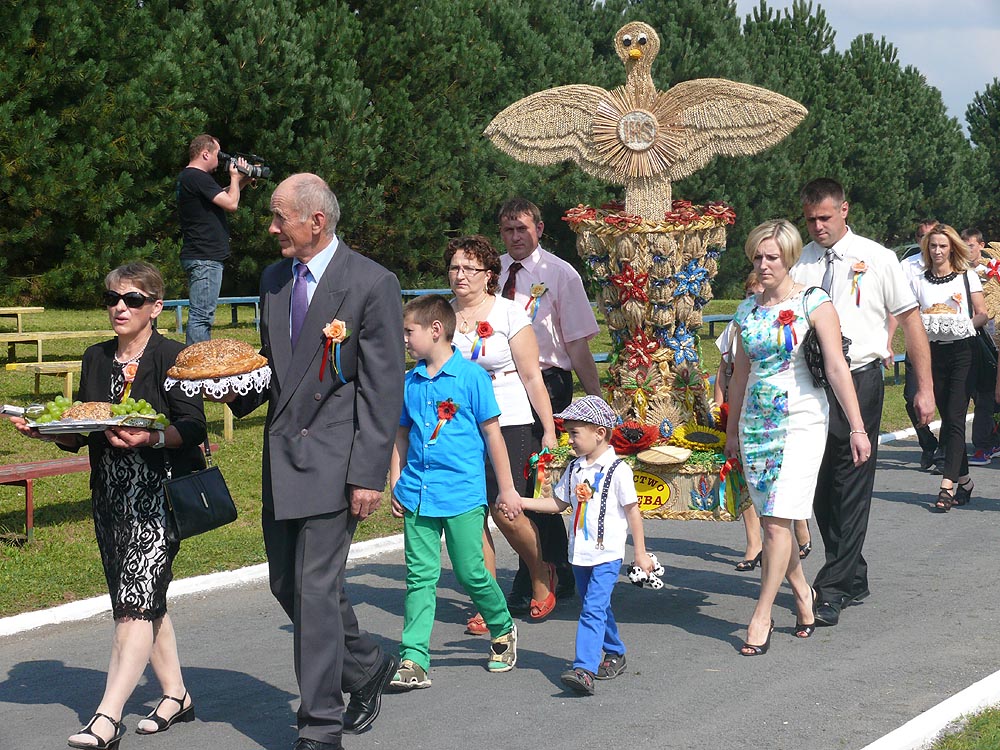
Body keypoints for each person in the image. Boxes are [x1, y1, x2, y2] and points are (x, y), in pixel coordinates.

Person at [223, 174, 404, 750]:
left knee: (315, 589)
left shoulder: (372, 283)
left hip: (335, 457)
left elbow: (382, 389)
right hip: (281, 456)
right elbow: (275, 368)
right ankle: (366, 664)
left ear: (316, 221)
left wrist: (367, 475)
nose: (271, 227)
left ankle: (320, 726)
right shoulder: (274, 280)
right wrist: (227, 386)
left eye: (280, 217)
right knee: (287, 584)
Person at [11, 262, 206, 749]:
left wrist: (152, 436)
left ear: (155, 308)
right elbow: (83, 427)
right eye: (113, 298)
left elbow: (193, 427)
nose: (120, 307)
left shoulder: (173, 356)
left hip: (159, 495)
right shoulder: (95, 357)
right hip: (109, 495)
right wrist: (45, 431)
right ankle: (176, 694)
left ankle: (107, 717)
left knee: (133, 606)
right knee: (140, 598)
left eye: (132, 299)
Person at [790, 178, 934, 628]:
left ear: (844, 210)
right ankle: (852, 573)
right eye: (810, 219)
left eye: (825, 217)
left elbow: (911, 321)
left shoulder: (878, 258)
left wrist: (924, 386)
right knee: (819, 487)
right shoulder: (800, 261)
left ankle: (832, 588)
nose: (818, 226)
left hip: (860, 377)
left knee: (851, 480)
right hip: (812, 383)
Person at [724, 221, 870, 655]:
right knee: (776, 518)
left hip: (801, 420)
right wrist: (730, 431)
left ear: (788, 258)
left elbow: (837, 368)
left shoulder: (813, 302)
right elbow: (739, 375)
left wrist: (857, 427)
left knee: (775, 521)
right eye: (757, 257)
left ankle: (762, 614)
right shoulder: (745, 311)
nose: (763, 264)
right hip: (756, 424)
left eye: (772, 257)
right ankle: (803, 593)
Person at [388, 295, 520, 690]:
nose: (404, 339)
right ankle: (414, 658)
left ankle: (502, 627)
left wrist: (507, 488)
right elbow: (401, 435)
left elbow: (493, 436)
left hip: (462, 493)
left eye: (409, 331)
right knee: (420, 578)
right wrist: (396, 482)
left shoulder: (472, 377)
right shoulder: (409, 383)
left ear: (435, 330)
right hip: (418, 493)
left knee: (470, 571)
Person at [445, 234, 558, 635]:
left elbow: (532, 376)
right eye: (454, 267)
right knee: (470, 513)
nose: (460, 275)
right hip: (457, 423)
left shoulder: (510, 314)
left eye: (469, 268)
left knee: (505, 510)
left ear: (489, 274)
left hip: (508, 417)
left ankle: (541, 572)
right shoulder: (441, 316)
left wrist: (548, 429)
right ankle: (487, 598)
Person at [496, 197, 602, 610]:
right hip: (499, 384)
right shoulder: (492, 272)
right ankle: (559, 566)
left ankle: (533, 578)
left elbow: (576, 343)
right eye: (508, 230)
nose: (515, 237)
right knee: (522, 482)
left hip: (546, 383)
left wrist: (596, 399)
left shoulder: (560, 274)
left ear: (539, 229)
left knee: (530, 478)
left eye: (523, 228)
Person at [516, 395, 654, 694]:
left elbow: (633, 512)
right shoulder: (575, 468)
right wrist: (521, 502)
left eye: (574, 433)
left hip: (607, 555)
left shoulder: (618, 470)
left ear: (599, 433)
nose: (569, 440)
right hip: (579, 554)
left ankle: (584, 669)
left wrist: (640, 553)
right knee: (597, 605)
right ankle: (615, 651)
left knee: (592, 608)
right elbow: (558, 503)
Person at [715, 270, 812, 572]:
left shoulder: (793, 315)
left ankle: (799, 525)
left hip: (787, 411)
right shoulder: (740, 322)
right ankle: (753, 542)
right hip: (747, 410)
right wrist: (723, 409)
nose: (756, 297)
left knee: (781, 496)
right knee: (754, 487)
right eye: (750, 293)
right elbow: (726, 370)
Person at [906, 224, 987, 509]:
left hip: (964, 351)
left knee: (955, 416)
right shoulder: (919, 280)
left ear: (952, 247)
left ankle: (946, 486)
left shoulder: (966, 276)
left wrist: (964, 324)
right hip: (932, 353)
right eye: (933, 246)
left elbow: (982, 313)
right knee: (948, 417)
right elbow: (910, 316)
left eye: (942, 246)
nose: (937, 251)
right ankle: (965, 481)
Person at [176, 134, 249, 345]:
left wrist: (242, 181)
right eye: (218, 154)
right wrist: (234, 177)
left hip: (200, 255)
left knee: (201, 315)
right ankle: (198, 362)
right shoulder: (197, 176)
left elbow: (223, 197)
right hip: (205, 257)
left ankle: (197, 358)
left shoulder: (190, 177)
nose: (220, 160)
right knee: (201, 317)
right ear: (205, 154)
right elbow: (232, 204)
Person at [896, 218, 944, 471]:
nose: (929, 242)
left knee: (948, 397)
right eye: (922, 236)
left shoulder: (953, 264)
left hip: (948, 340)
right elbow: (895, 303)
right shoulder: (907, 266)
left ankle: (946, 450)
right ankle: (928, 444)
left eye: (933, 235)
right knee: (911, 396)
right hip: (918, 340)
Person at [961, 228, 999, 465]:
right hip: (972, 338)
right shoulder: (957, 272)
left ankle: (986, 443)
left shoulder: (994, 270)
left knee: (989, 394)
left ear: (982, 245)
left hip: (994, 337)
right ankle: (986, 440)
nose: (967, 250)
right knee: (980, 393)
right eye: (963, 245)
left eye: (971, 246)